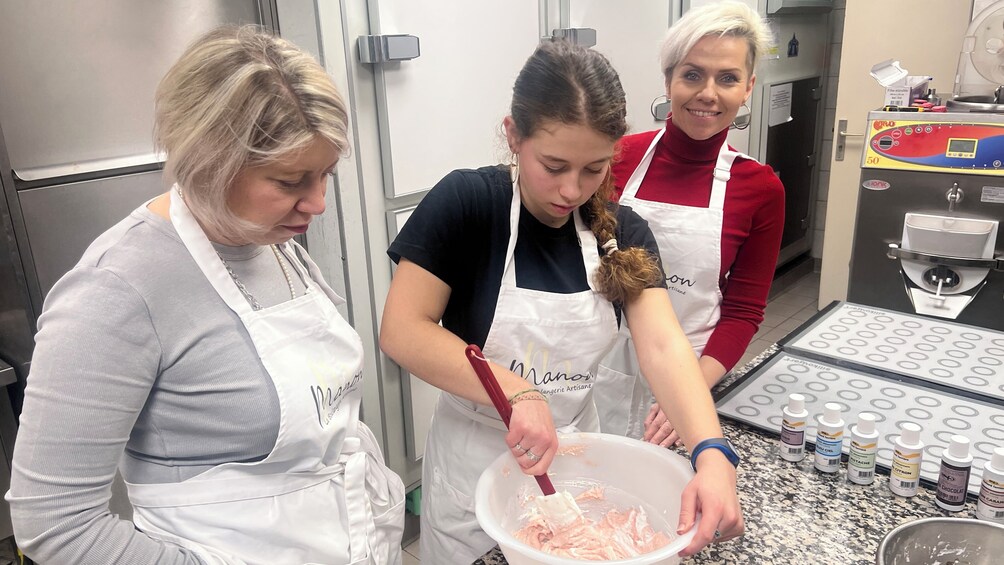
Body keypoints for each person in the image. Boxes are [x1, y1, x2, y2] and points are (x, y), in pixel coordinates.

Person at [6, 25, 405, 565]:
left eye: (326, 175)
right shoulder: (116, 290)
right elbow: (55, 524)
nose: (318, 204)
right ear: (209, 162)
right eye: (290, 181)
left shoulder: (268, 239)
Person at [380, 39, 743, 564]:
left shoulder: (622, 232)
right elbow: (403, 329)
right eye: (553, 165)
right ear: (514, 136)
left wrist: (711, 452)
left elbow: (664, 347)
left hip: (574, 456)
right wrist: (518, 392)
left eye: (593, 169)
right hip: (473, 458)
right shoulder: (467, 205)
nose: (571, 190)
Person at [594, 1, 785, 446]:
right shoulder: (613, 159)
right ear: (669, 80)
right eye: (692, 74)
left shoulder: (759, 188)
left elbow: (743, 311)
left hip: (695, 369)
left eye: (728, 78)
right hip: (599, 365)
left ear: (749, 87)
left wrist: (691, 391)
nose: (708, 93)